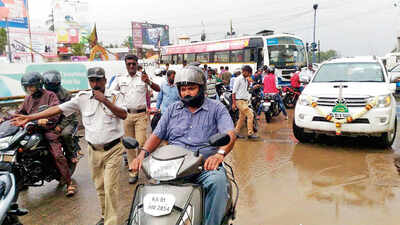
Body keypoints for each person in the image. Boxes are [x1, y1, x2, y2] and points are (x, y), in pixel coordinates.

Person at [12, 67, 128, 225]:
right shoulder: (82, 98)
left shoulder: (115, 96)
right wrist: (29, 117)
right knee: (100, 187)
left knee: (110, 188)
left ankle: (111, 222)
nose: (95, 83)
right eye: (92, 80)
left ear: (105, 81)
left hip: (113, 149)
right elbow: (57, 109)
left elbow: (123, 114)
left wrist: (104, 100)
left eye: (98, 80)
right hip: (93, 150)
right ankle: (104, 215)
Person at [130, 66, 236, 225]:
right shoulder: (173, 109)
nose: (186, 93)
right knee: (153, 194)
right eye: (183, 89)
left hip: (204, 167)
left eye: (191, 88)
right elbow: (156, 135)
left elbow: (230, 134)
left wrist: (219, 154)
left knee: (218, 182)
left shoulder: (217, 108)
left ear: (201, 88)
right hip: (173, 167)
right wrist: (141, 154)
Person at [4, 72, 76, 196]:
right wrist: (5, 118)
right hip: (32, 129)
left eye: (31, 86)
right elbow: (19, 112)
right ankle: (22, 180)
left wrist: (47, 120)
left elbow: (55, 111)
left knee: (58, 155)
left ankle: (69, 183)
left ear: (38, 85)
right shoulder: (28, 98)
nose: (29, 89)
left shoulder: (50, 95)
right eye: (27, 87)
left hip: (48, 129)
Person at [110, 54, 160, 184]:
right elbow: (111, 94)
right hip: (126, 116)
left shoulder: (144, 77)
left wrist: (148, 81)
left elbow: (158, 89)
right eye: (129, 64)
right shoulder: (120, 78)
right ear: (126, 65)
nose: (131, 66)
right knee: (129, 145)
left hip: (141, 115)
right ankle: (134, 171)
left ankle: (144, 166)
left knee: (141, 142)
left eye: (133, 64)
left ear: (137, 64)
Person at [42, 70, 80, 163]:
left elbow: (71, 114)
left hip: (67, 120)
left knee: (65, 134)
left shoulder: (66, 95)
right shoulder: (43, 94)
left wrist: (61, 126)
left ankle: (72, 154)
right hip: (51, 120)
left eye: (53, 84)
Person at [232, 65, 258, 139]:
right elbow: (233, 92)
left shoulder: (245, 79)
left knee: (242, 118)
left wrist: (252, 85)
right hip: (240, 101)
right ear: (245, 72)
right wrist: (234, 103)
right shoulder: (238, 79)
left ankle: (236, 133)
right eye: (249, 73)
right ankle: (250, 133)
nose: (250, 75)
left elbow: (247, 90)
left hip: (245, 101)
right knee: (250, 115)